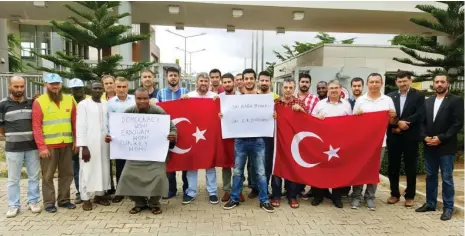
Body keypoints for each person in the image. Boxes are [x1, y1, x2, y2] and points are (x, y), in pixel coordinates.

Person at [106, 87, 176, 215]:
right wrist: (110, 137)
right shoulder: (129, 112)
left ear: (149, 99)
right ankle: (139, 202)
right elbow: (117, 131)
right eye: (139, 98)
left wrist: (172, 135)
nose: (142, 101)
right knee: (127, 176)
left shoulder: (158, 111)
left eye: (145, 98)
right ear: (135, 99)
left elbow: (172, 127)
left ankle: (154, 203)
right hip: (134, 154)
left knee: (159, 177)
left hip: (155, 154)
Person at [222, 68, 274, 213]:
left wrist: (273, 115)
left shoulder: (264, 99)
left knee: (261, 172)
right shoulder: (235, 99)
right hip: (240, 141)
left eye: (252, 78)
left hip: (258, 140)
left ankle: (264, 200)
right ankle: (234, 198)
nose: (249, 81)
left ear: (255, 80)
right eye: (246, 78)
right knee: (237, 172)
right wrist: (223, 115)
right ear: (243, 80)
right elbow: (228, 115)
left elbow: (270, 115)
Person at [416, 73, 464, 221]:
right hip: (429, 145)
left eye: (442, 82)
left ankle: (448, 208)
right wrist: (425, 137)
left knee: (447, 178)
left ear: (447, 84)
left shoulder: (456, 101)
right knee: (430, 176)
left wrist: (440, 138)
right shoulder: (428, 101)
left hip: (446, 146)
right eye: (436, 82)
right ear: (433, 84)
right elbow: (422, 122)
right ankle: (430, 203)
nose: (439, 84)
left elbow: (457, 123)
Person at [32, 73, 77, 213]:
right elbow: (36, 126)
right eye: (52, 84)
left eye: (57, 83)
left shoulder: (70, 100)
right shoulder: (39, 102)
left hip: (67, 144)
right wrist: (41, 147)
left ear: (61, 85)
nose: (55, 86)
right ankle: (49, 202)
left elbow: (75, 123)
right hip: (49, 146)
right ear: (46, 84)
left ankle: (64, 200)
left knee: (67, 174)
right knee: (48, 176)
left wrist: (77, 140)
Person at [351, 73, 397, 211]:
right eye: (371, 82)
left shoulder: (387, 100)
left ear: (381, 83)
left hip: (379, 143)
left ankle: (370, 197)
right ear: (367, 84)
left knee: (374, 170)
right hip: (362, 143)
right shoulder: (360, 100)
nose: (374, 85)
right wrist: (357, 116)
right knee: (359, 169)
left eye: (377, 82)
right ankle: (356, 196)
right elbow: (353, 122)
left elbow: (391, 122)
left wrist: (394, 117)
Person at [1, 76, 41, 217]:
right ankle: (13, 205)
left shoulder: (32, 102)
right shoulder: (3, 104)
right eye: (16, 86)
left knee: (34, 176)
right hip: (13, 148)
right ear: (10, 86)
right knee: (13, 178)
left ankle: (34, 201)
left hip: (32, 147)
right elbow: (1, 128)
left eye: (22, 86)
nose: (19, 89)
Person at [311, 79, 352, 208]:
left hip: (339, 144)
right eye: (331, 88)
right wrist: (317, 118)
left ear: (341, 90)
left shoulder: (346, 105)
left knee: (337, 170)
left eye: (336, 88)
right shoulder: (320, 104)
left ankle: (336, 197)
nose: (333, 90)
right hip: (322, 143)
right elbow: (310, 119)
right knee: (319, 169)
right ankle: (318, 196)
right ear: (327, 91)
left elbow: (352, 123)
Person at [386, 70, 425, 207]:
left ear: (410, 80)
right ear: (396, 82)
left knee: (411, 167)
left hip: (410, 135)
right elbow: (386, 115)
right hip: (394, 135)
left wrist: (404, 123)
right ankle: (394, 193)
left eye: (405, 81)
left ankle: (410, 195)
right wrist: (397, 123)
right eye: (399, 81)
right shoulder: (390, 97)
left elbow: (420, 114)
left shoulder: (419, 95)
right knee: (393, 166)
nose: (402, 83)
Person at [180, 73, 219, 204]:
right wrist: (182, 101)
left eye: (205, 81)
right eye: (201, 81)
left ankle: (212, 192)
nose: (203, 83)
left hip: (209, 135)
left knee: (210, 165)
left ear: (209, 83)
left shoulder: (215, 97)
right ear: (196, 82)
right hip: (193, 135)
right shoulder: (189, 96)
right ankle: (191, 192)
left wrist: (218, 103)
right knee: (192, 165)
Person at [272, 78, 308, 209]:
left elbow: (308, 121)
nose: (288, 90)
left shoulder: (299, 102)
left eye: (290, 88)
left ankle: (292, 196)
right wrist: (272, 116)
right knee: (277, 168)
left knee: (292, 168)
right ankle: (276, 195)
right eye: (285, 87)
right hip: (278, 141)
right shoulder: (275, 103)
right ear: (282, 88)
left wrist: (302, 111)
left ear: (294, 89)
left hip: (293, 142)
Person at [76, 82, 111, 211]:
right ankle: (85, 198)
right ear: (90, 90)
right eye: (95, 88)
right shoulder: (83, 105)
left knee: (103, 168)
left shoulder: (106, 104)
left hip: (104, 143)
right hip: (89, 144)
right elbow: (81, 126)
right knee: (86, 170)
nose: (97, 90)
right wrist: (83, 146)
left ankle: (99, 195)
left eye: (99, 88)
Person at [155, 67, 189, 199]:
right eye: (170, 75)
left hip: (184, 130)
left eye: (175, 75)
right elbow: (157, 111)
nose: (173, 77)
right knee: (169, 160)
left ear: (179, 77)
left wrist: (188, 99)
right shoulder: (161, 93)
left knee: (184, 160)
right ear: (166, 77)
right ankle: (171, 189)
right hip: (167, 131)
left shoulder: (186, 92)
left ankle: (187, 189)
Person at [107, 76, 136, 203]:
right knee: (120, 166)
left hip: (135, 138)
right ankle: (120, 191)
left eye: (124, 86)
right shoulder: (110, 103)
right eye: (119, 86)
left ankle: (132, 191)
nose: (121, 89)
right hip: (118, 140)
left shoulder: (135, 100)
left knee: (134, 165)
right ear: (115, 87)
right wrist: (108, 134)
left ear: (127, 87)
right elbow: (107, 121)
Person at [218, 73, 245, 203]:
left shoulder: (241, 97)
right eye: (225, 82)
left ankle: (238, 190)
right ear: (222, 84)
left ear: (234, 82)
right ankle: (227, 190)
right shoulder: (219, 98)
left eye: (229, 82)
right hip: (225, 135)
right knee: (226, 164)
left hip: (239, 135)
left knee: (238, 165)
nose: (227, 84)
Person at [294, 73, 320, 199]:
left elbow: (315, 117)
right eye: (302, 81)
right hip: (292, 134)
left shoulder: (315, 99)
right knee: (293, 161)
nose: (304, 84)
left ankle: (304, 187)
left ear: (310, 84)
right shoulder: (291, 97)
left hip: (308, 136)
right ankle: (292, 188)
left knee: (306, 162)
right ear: (298, 83)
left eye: (307, 82)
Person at [67, 78, 89, 205]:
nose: (78, 91)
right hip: (74, 139)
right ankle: (80, 192)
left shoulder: (90, 100)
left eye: (79, 88)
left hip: (90, 137)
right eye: (75, 89)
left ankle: (94, 191)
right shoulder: (68, 101)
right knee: (76, 167)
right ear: (71, 90)